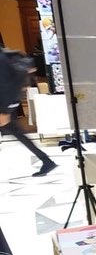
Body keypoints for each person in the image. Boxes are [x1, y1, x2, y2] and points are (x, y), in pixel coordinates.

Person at [0, 48, 57, 177]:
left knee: (18, 133)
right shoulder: (5, 56)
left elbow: (7, 86)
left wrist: (5, 111)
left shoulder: (2, 59)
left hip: (4, 105)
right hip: (7, 104)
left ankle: (46, 160)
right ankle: (46, 160)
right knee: (19, 134)